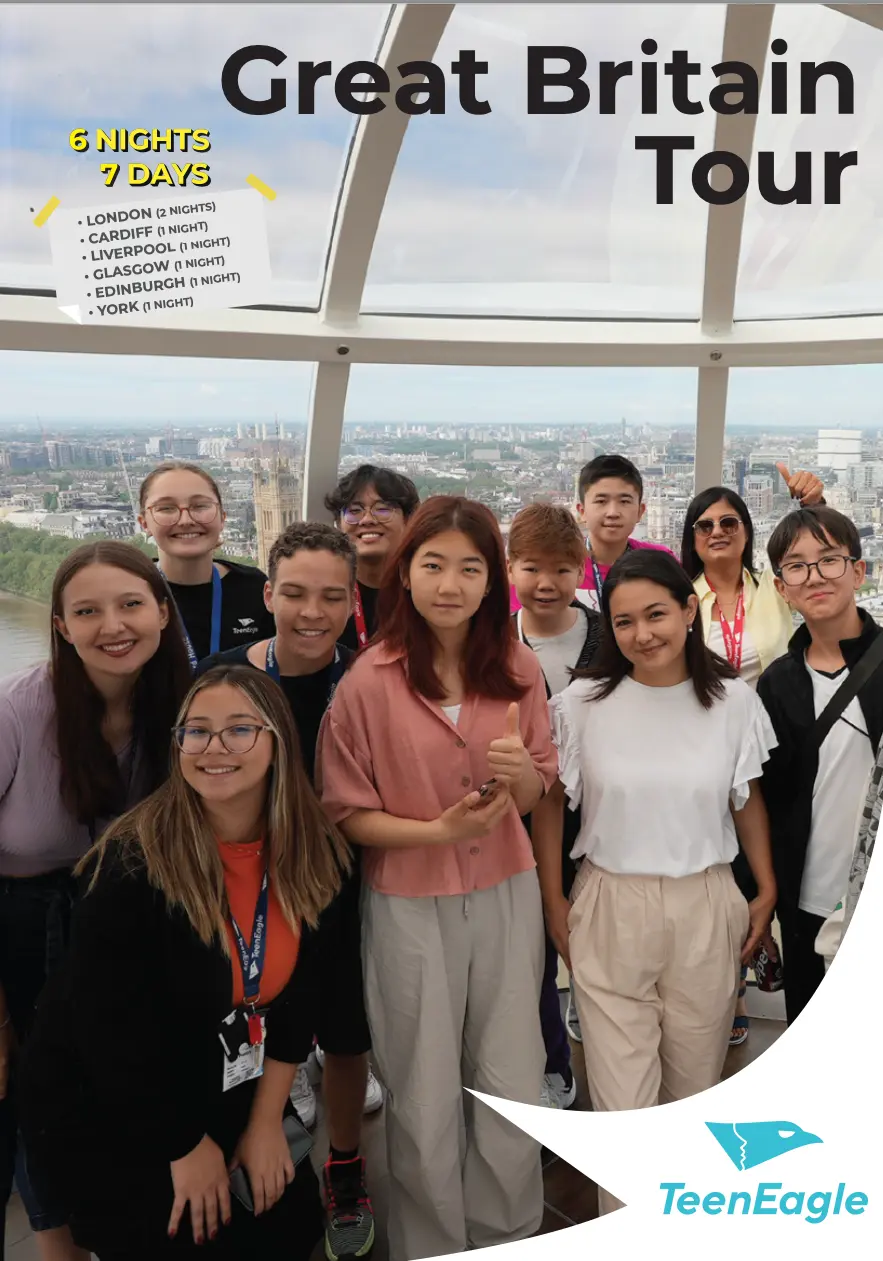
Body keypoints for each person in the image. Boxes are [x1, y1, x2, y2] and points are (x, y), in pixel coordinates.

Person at [19, 665, 366, 1261]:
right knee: (178, 1236)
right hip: (115, 1097)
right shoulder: (132, 864)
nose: (213, 748)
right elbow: (108, 1034)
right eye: (196, 731)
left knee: (287, 1228)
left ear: (279, 741)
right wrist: (183, 1145)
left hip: (226, 1079)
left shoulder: (316, 856)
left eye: (239, 729)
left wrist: (265, 1122)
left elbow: (299, 1002)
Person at [318, 496, 558, 1261]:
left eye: (469, 568)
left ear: (492, 580)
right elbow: (344, 809)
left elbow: (539, 791)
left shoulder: (518, 667)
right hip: (407, 902)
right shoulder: (368, 680)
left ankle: (507, 1230)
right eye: (432, 565)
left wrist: (520, 775)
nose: (450, 584)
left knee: (511, 1069)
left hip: (506, 891)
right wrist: (436, 832)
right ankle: (432, 1241)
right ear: (404, 573)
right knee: (419, 1081)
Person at [534, 550, 777, 1215]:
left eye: (656, 615)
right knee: (623, 1106)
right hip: (609, 899)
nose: (642, 634)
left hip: (705, 899)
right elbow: (551, 801)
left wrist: (764, 888)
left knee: (691, 1089)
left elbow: (745, 797)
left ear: (688, 610)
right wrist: (553, 899)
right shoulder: (580, 704)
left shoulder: (732, 701)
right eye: (623, 622)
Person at [1, 542, 191, 1261]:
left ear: (163, 612)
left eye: (130, 604)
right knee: (36, 1102)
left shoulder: (184, 704)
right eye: (88, 611)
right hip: (21, 929)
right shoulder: (19, 710)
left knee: (119, 1085)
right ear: (60, 626)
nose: (113, 626)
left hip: (126, 920)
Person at [197, 522, 380, 1261]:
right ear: (268, 594)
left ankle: (343, 1162)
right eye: (295, 593)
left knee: (345, 1032)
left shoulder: (366, 681)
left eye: (332, 596)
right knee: (242, 1026)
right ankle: (242, 1141)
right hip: (245, 890)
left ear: (351, 601)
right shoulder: (222, 680)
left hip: (341, 888)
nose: (312, 612)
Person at [681, 464, 823, 1045]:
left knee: (768, 867)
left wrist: (813, 506)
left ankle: (766, 966)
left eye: (729, 522)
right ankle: (729, 989)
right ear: (692, 538)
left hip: (775, 751)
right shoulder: (681, 598)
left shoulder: (775, 589)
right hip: (706, 755)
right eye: (705, 525)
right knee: (720, 872)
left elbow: (820, 569)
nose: (718, 532)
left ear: (746, 530)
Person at [757, 506, 883, 1025]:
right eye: (796, 566)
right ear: (782, 588)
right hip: (808, 898)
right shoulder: (777, 684)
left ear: (858, 571)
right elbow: (766, 800)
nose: (814, 576)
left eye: (829, 559)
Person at [506, 503, 601, 1108]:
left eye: (562, 570)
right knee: (532, 948)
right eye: (532, 568)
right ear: (510, 568)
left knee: (600, 936)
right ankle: (551, 1061)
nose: (547, 583)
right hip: (519, 820)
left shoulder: (611, 637)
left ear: (581, 570)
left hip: (603, 818)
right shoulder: (491, 643)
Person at [139, 461, 275, 666]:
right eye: (166, 508)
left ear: (222, 518)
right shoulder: (131, 592)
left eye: (200, 506)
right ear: (144, 523)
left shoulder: (253, 587)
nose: (185, 520)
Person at [324, 464, 419, 651]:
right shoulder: (326, 594)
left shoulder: (425, 590)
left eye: (382, 509)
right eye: (354, 511)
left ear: (408, 520)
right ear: (338, 523)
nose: (367, 519)